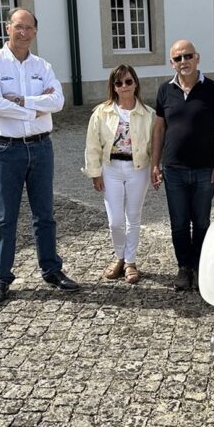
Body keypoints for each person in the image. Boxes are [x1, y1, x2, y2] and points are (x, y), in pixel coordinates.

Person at [0, 7, 79, 307]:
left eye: (29, 28)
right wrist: (38, 106)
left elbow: (58, 102)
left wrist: (23, 100)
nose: (23, 32)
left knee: (45, 215)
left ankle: (51, 270)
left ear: (35, 31)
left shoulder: (42, 65)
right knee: (5, 217)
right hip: (6, 149)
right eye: (18, 27)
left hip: (40, 146)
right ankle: (1, 277)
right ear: (7, 28)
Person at [151, 40, 214, 291]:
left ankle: (200, 266)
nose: (183, 62)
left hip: (205, 169)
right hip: (173, 170)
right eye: (177, 58)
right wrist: (155, 164)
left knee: (202, 221)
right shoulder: (164, 91)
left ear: (197, 57)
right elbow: (159, 129)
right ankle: (184, 267)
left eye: (187, 56)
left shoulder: (213, 89)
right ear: (171, 63)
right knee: (179, 222)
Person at [83, 64, 155, 284]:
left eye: (128, 81)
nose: (124, 86)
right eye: (119, 82)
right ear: (113, 87)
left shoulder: (148, 114)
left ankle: (130, 262)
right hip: (111, 168)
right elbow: (92, 144)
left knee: (133, 217)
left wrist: (155, 169)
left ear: (135, 84)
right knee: (115, 221)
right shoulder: (102, 112)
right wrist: (95, 172)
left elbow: (154, 146)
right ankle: (119, 257)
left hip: (138, 169)